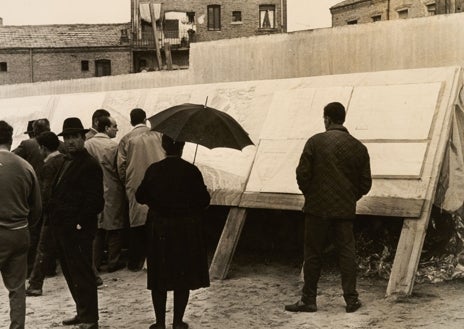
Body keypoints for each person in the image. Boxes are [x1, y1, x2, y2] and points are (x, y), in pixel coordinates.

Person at [285, 102, 372, 314]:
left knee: (313, 253)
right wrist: (349, 198)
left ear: (327, 119)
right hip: (344, 210)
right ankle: (351, 300)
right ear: (343, 118)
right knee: (346, 254)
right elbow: (365, 183)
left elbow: (302, 174)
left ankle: (309, 300)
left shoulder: (315, 142)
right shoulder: (359, 147)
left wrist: (312, 195)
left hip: (317, 209)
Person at [136, 134, 210, 329]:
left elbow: (140, 196)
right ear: (183, 146)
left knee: (158, 275)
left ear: (163, 145)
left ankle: (159, 322)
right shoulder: (191, 171)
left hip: (159, 228)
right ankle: (177, 322)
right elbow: (204, 201)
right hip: (185, 229)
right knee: (182, 275)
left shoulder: (154, 170)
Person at [48, 117, 104, 329]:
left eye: (75, 137)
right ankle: (82, 311)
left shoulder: (89, 164)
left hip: (78, 229)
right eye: (68, 137)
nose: (71, 141)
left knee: (82, 272)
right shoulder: (65, 162)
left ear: (83, 138)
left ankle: (90, 318)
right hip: (63, 228)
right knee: (71, 273)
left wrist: (78, 223)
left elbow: (96, 201)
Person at [0, 120, 42, 329]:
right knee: (17, 288)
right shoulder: (25, 166)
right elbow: (37, 208)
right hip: (18, 232)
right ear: (10, 139)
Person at [85, 116, 127, 273]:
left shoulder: (87, 145)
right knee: (115, 226)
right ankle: (113, 262)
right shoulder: (113, 146)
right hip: (112, 188)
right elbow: (120, 169)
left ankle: (94, 263)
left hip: (93, 189)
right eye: (114, 126)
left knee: (97, 228)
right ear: (106, 128)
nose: (116, 129)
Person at [26, 131, 65, 296]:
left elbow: (45, 193)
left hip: (52, 213)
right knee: (73, 248)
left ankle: (35, 284)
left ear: (43, 148)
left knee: (43, 248)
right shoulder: (64, 160)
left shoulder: (48, 165)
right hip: (66, 211)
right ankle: (94, 278)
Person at [13, 118, 52, 276]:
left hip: (33, 194)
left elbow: (11, 158)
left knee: (34, 232)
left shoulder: (27, 145)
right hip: (51, 194)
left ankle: (31, 268)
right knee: (49, 231)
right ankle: (48, 267)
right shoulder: (55, 142)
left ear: (33, 132)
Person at [116, 108, 153, 271]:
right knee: (154, 219)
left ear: (131, 121)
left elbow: (121, 165)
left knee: (137, 223)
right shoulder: (157, 135)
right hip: (155, 181)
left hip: (135, 183)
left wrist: (127, 181)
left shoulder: (126, 139)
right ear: (145, 119)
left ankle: (135, 261)